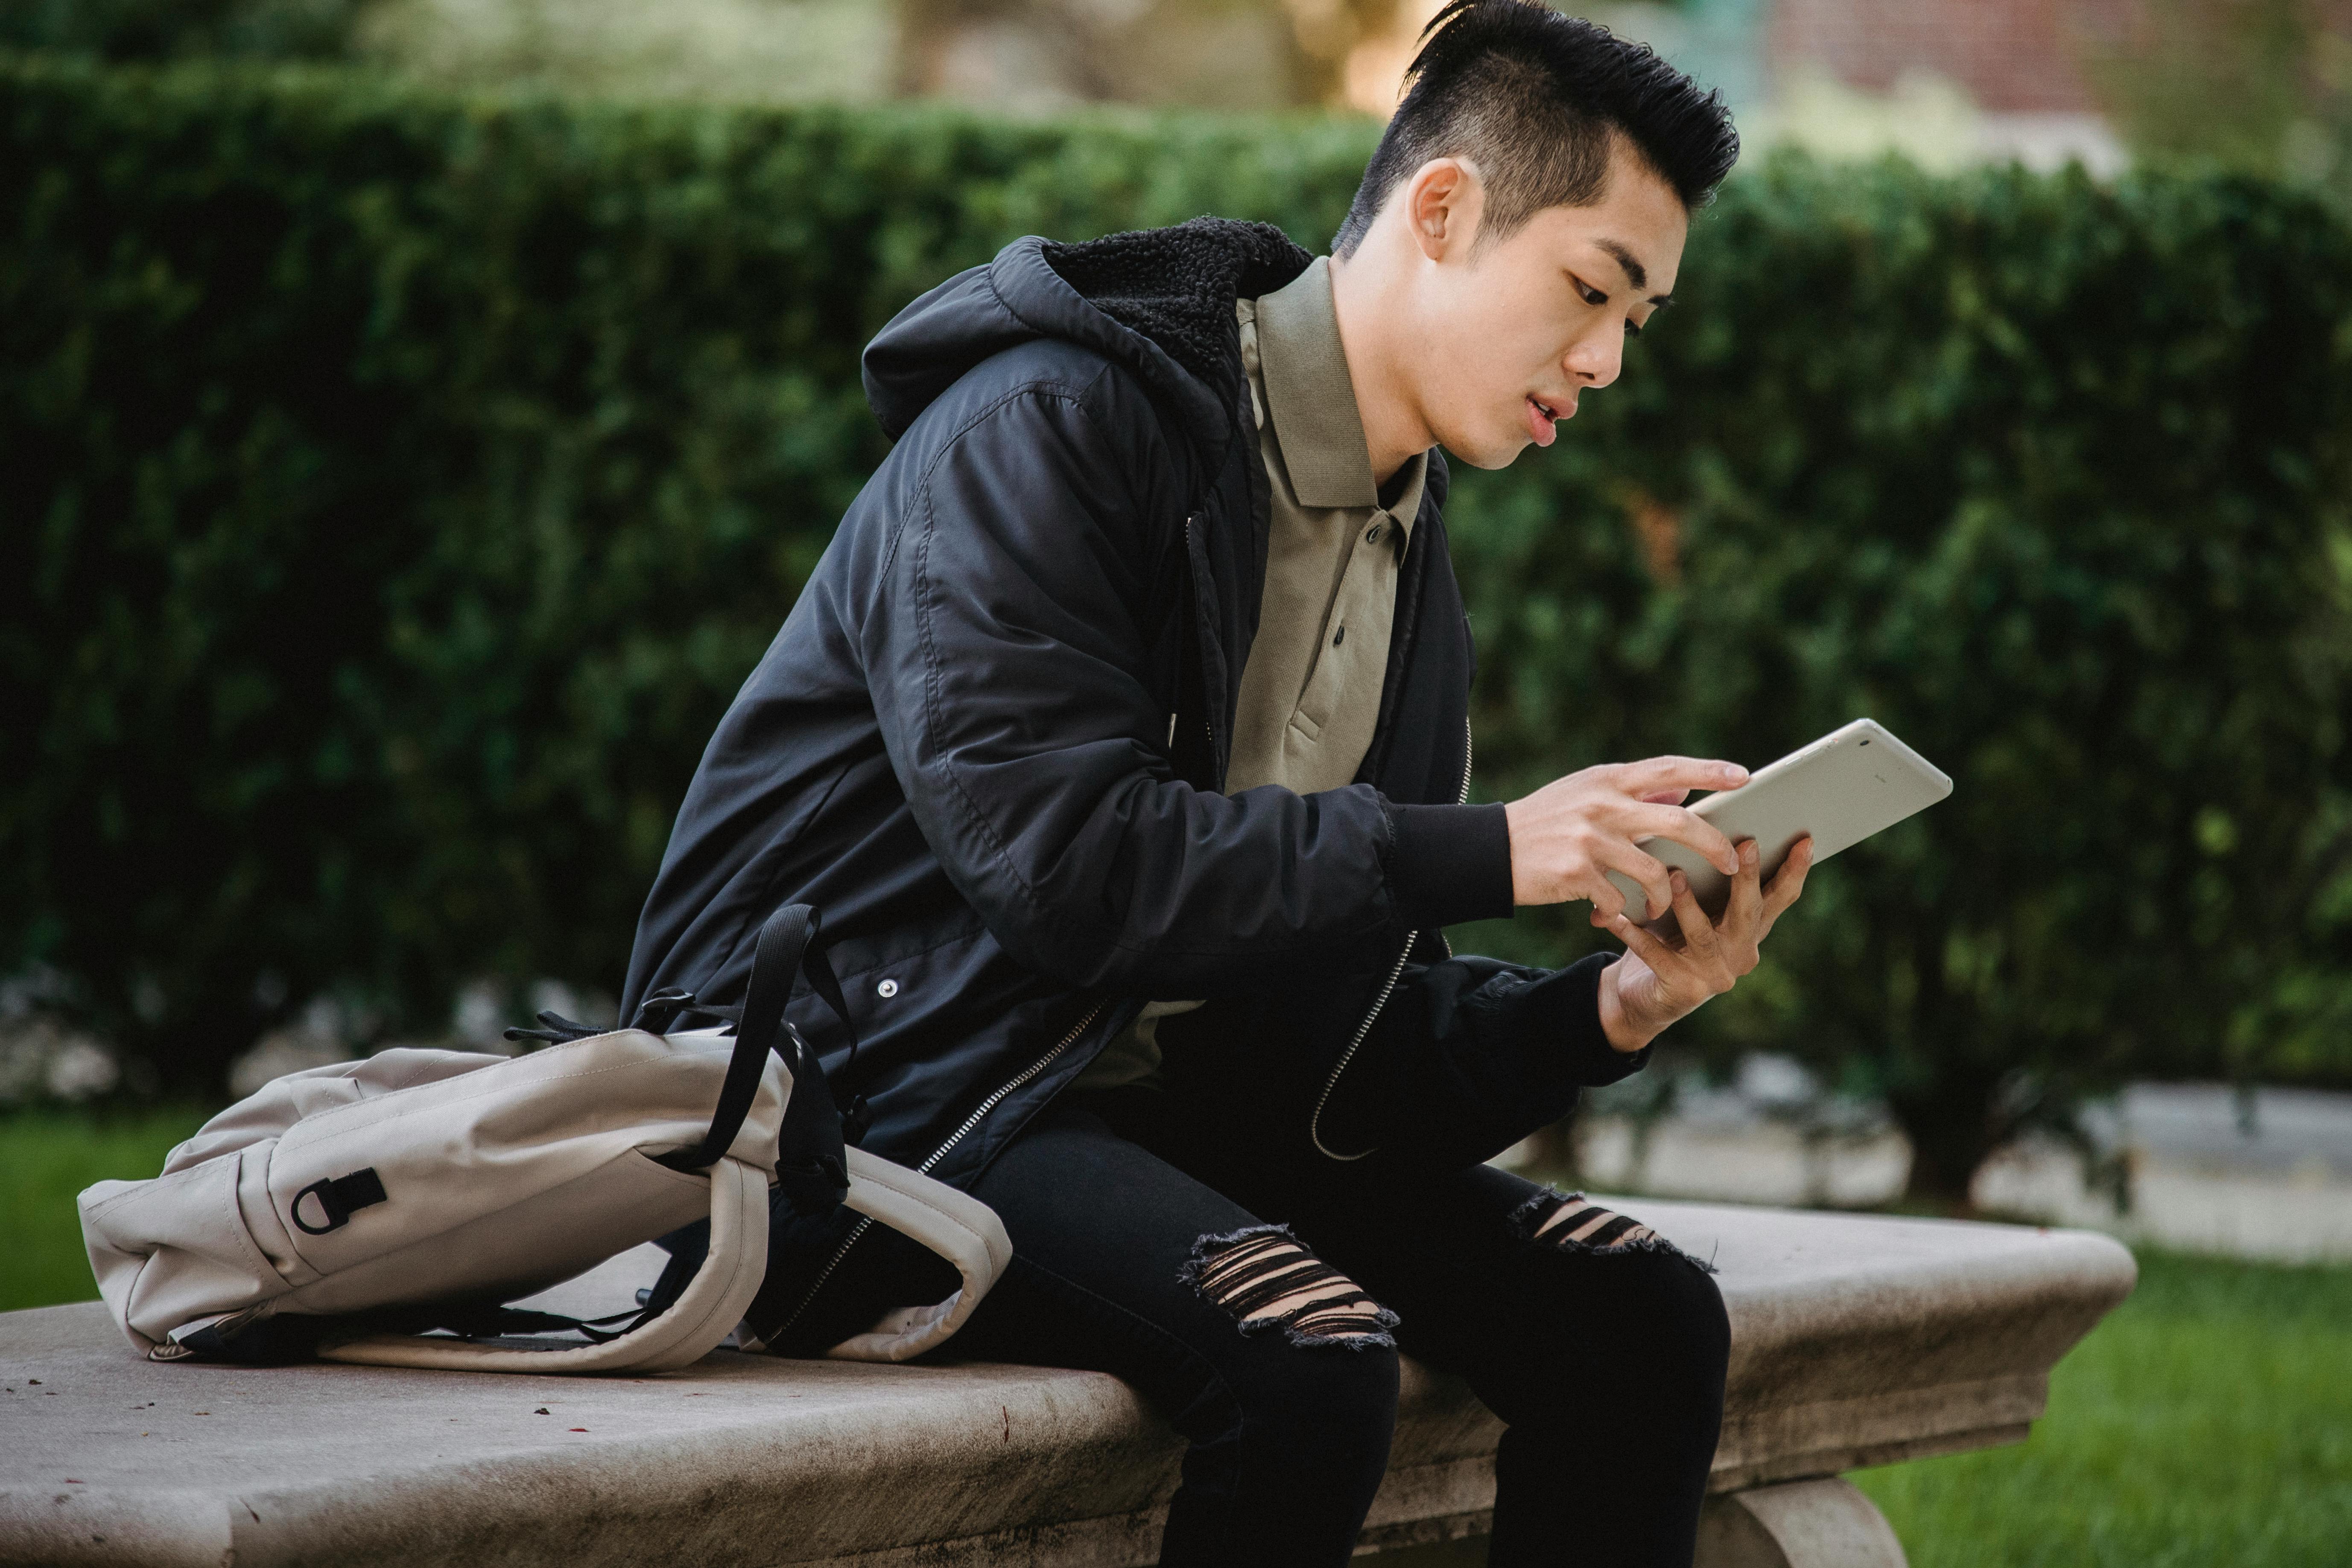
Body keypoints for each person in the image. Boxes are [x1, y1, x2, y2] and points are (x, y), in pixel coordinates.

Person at [624, 3, 1812, 1562]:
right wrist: (1491, 846)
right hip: (858, 1102)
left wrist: (1609, 1010)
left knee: (1642, 1317)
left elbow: (1332, 1059)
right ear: (1443, 211)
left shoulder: (1404, 551)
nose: (1601, 360)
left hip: (1137, 1123)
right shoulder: (1058, 425)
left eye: (1635, 324)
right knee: (1312, 1359)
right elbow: (1065, 865)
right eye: (1591, 290)